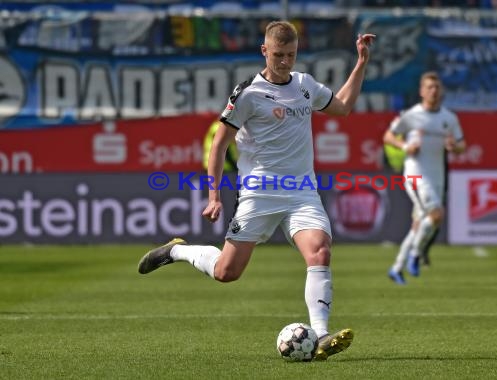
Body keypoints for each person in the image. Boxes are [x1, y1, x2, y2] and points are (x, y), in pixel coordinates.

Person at [138, 21, 376, 361]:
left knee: (320, 252)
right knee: (226, 273)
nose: (284, 62)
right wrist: (214, 195)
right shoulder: (248, 93)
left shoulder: (305, 85)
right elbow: (218, 145)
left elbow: (342, 106)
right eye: (278, 54)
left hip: (301, 191)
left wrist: (362, 62)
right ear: (264, 51)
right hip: (259, 192)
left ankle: (321, 335)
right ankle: (176, 251)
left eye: (291, 55)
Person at [383, 71, 466, 285]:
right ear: (421, 91)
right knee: (437, 214)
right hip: (415, 174)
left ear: (442, 91)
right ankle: (416, 255)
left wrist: (454, 147)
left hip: (436, 175)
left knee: (420, 224)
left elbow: (461, 144)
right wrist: (405, 146)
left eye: (437, 87)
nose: (433, 91)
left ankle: (396, 268)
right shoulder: (411, 115)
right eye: (429, 87)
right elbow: (388, 136)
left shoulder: (449, 118)